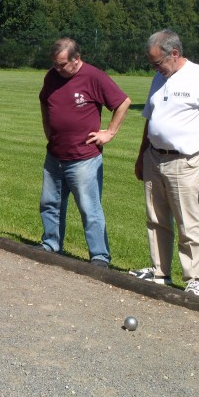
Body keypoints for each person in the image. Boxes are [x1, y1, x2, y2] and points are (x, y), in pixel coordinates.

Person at [131, 29, 199, 296]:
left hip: (184, 161)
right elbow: (150, 119)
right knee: (156, 218)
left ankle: (196, 279)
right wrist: (141, 155)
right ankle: (160, 271)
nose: (155, 68)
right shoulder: (158, 78)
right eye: (152, 64)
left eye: (158, 62)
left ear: (174, 53)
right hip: (154, 157)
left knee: (188, 221)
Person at [37, 38, 131, 267]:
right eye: (55, 64)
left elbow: (123, 102)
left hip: (84, 159)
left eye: (62, 65)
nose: (57, 69)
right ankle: (51, 244)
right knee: (50, 203)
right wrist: (49, 130)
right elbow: (44, 102)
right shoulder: (52, 77)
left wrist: (109, 133)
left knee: (90, 208)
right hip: (55, 155)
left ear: (76, 59)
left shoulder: (94, 77)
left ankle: (99, 256)